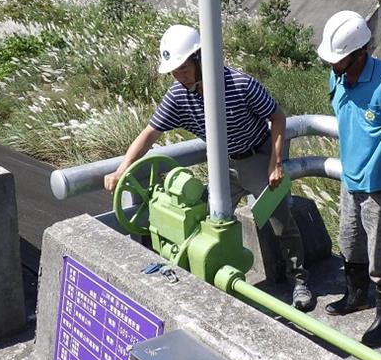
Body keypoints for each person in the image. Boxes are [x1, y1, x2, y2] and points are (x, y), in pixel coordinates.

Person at [104, 24, 312, 310]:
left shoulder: (241, 84)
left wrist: (275, 164)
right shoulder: (179, 95)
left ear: (201, 59)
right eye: (174, 72)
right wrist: (121, 170)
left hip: (257, 158)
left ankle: (299, 280)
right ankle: (205, 275)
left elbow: (277, 117)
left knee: (280, 221)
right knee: (203, 216)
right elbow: (149, 134)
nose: (179, 77)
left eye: (184, 70)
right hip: (222, 164)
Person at [316, 10, 381, 347]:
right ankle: (356, 296)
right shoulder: (337, 77)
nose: (332, 66)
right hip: (351, 181)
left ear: (359, 52)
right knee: (350, 242)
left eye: (339, 59)